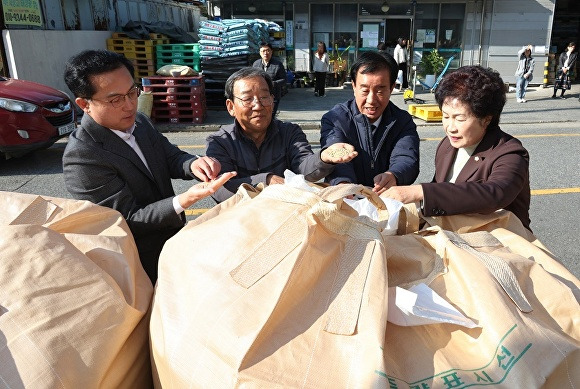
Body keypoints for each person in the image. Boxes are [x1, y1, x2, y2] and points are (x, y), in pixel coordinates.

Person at [62, 49, 235, 282]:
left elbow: (169, 156)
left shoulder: (140, 121)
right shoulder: (82, 156)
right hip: (136, 265)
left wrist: (194, 164)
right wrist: (185, 200)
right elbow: (126, 220)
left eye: (133, 92)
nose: (130, 105)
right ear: (85, 104)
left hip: (174, 244)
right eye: (115, 99)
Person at [383, 65, 531, 231]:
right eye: (445, 116)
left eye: (459, 119)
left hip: (497, 246)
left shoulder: (510, 153)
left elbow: (495, 193)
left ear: (486, 119)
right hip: (455, 240)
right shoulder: (447, 145)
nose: (450, 127)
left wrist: (421, 192)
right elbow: (441, 192)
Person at [206, 67, 358, 203]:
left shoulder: (289, 133)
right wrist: (266, 181)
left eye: (264, 97)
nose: (258, 106)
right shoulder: (219, 142)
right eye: (247, 99)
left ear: (272, 100)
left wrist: (324, 157)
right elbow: (220, 189)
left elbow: (303, 169)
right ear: (231, 107)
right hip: (239, 223)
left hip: (285, 217)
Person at [320, 51, 420, 195]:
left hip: (387, 197)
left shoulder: (402, 121)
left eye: (380, 90)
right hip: (347, 197)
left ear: (392, 88)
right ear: (354, 86)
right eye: (365, 90)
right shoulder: (336, 118)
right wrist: (343, 184)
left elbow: (406, 158)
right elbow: (336, 156)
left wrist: (394, 175)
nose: (371, 100)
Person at [252, 42, 286, 116]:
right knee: (262, 115)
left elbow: (284, 79)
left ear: (271, 52)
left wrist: (274, 83)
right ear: (260, 53)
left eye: (267, 50)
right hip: (259, 95)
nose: (265, 53)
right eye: (263, 51)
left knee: (271, 115)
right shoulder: (256, 64)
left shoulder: (278, 64)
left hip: (273, 95)